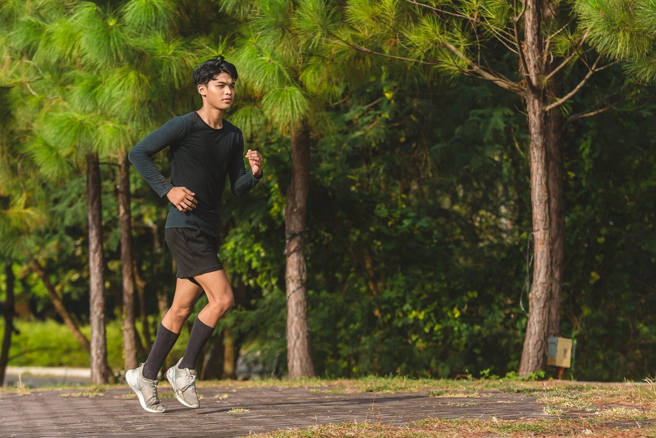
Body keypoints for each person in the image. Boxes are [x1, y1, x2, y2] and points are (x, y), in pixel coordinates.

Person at [125, 56, 263, 413]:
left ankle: (146, 374)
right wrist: (167, 190)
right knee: (223, 299)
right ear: (203, 90)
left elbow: (238, 188)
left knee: (181, 307)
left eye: (231, 84)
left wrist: (255, 174)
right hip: (184, 228)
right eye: (221, 85)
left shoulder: (233, 135)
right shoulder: (183, 126)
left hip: (207, 228)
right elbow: (137, 153)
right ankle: (183, 369)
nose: (229, 90)